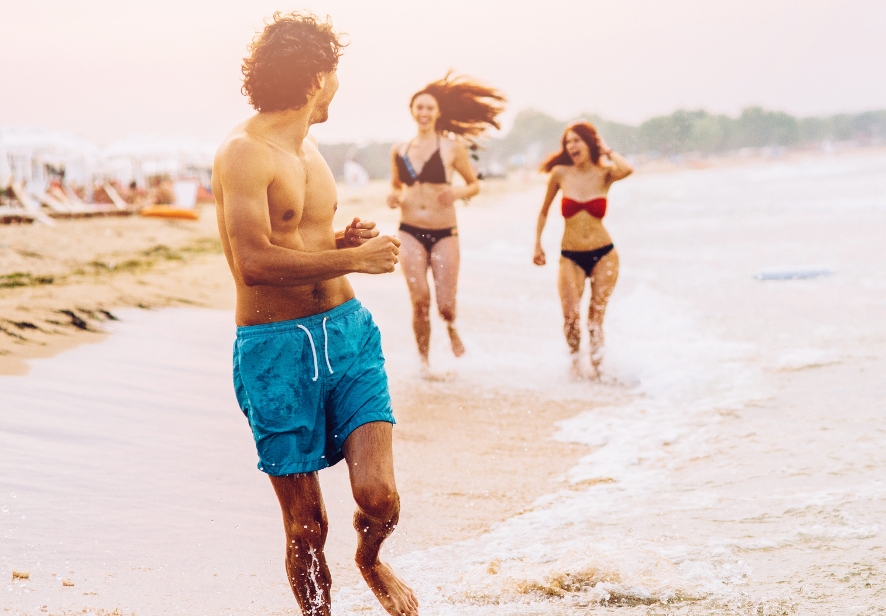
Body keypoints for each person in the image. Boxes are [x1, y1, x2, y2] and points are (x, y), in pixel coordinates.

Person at [212, 12, 417, 616]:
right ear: (316, 77)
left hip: (347, 335)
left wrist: (340, 244)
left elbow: (299, 241)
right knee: (306, 527)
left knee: (379, 497)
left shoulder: (311, 148)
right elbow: (253, 262)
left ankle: (370, 560)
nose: (337, 86)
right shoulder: (244, 153)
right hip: (274, 348)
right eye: (335, 73)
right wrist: (354, 261)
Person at [387, 73, 504, 368]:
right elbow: (396, 186)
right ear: (412, 111)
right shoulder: (399, 149)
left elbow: (474, 185)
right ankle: (424, 363)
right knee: (420, 300)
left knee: (446, 305)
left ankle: (451, 326)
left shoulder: (452, 147)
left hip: (444, 232)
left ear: (438, 112)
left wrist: (458, 192)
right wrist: (393, 196)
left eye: (430, 108)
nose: (424, 112)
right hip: (409, 230)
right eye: (419, 107)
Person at [532, 121, 633, 376]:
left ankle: (598, 372)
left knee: (595, 320)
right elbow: (543, 211)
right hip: (571, 256)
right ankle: (575, 364)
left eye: (577, 140)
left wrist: (607, 150)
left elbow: (627, 169)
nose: (572, 146)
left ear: (589, 143)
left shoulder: (604, 173)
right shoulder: (560, 173)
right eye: (568, 142)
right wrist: (538, 244)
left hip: (605, 254)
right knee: (570, 318)